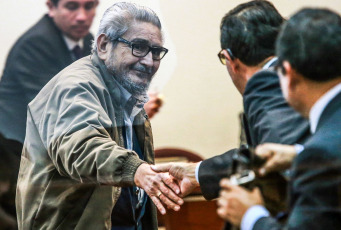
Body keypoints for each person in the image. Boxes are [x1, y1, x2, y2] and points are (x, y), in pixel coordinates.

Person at [15, 2, 183, 230]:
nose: (149, 61)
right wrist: (135, 169)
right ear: (104, 45)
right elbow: (81, 147)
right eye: (139, 47)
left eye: (156, 52)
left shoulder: (128, 91)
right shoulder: (75, 86)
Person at [152, 0, 309, 208]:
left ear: (229, 59)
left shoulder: (267, 85)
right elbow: (268, 154)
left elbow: (287, 166)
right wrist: (197, 172)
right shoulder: (300, 72)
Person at [217, 8, 341, 229]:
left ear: (289, 74)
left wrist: (250, 216)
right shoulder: (320, 151)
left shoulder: (320, 155)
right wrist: (297, 154)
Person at [0, 0, 98, 228]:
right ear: (52, 8)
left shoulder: (89, 42)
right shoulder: (37, 43)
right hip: (16, 153)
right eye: (72, 7)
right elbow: (59, 109)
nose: (82, 16)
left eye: (89, 6)